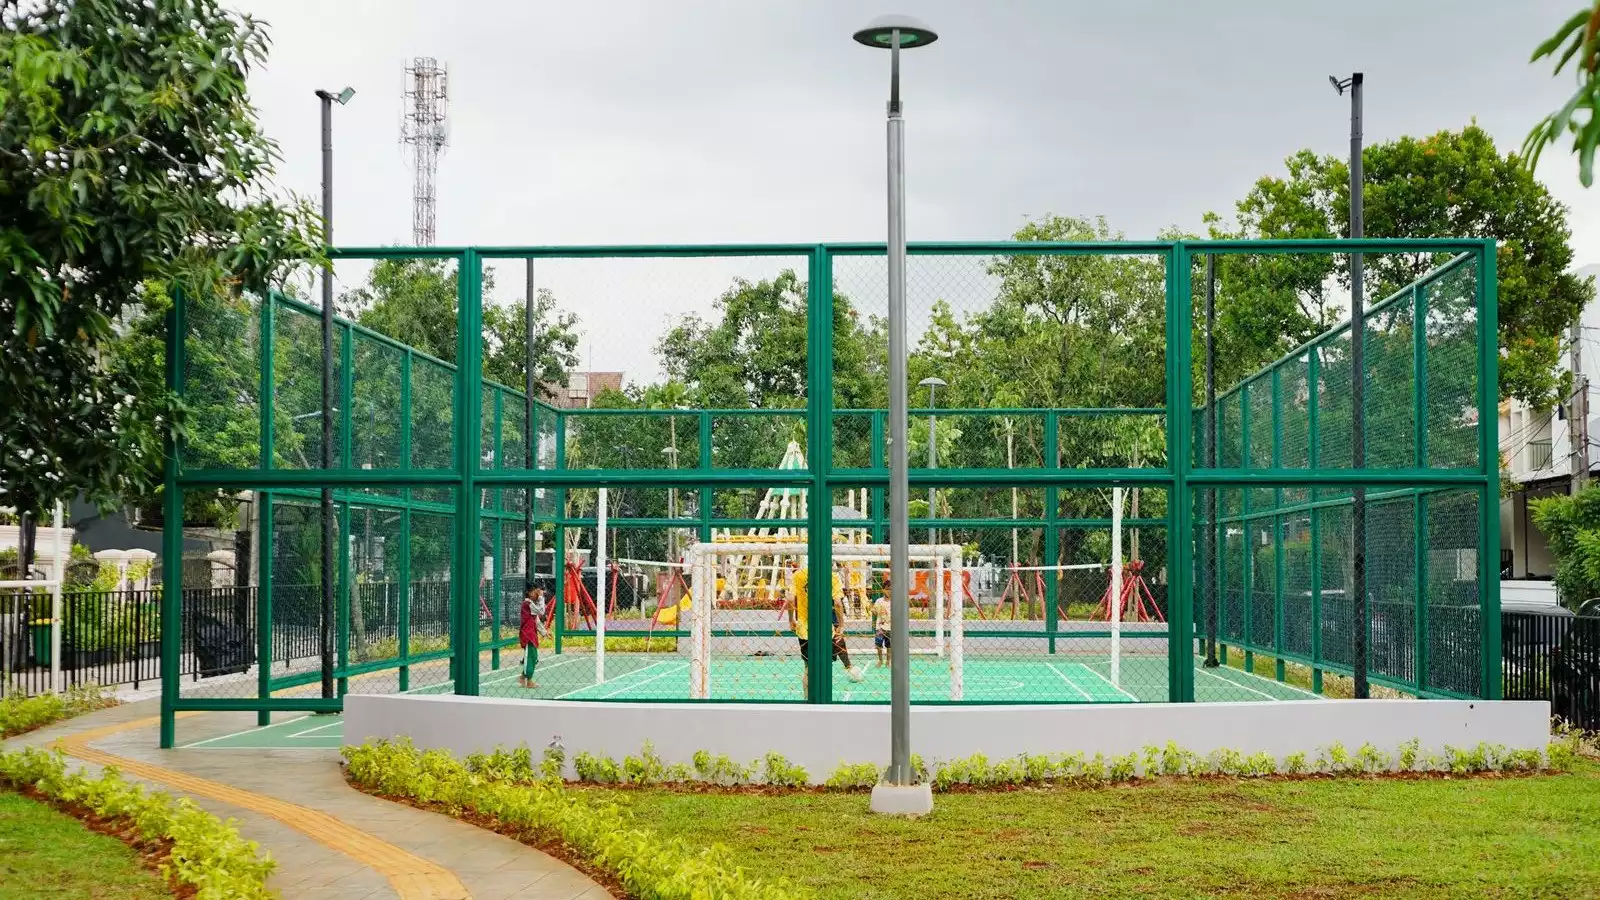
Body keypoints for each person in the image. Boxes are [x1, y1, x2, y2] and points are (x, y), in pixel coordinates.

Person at [788, 562, 864, 691]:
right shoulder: (831, 576)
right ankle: (825, 696)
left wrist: (791, 620)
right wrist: (841, 625)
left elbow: (789, 599)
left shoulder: (798, 575)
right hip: (824, 628)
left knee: (808, 668)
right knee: (826, 663)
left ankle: (808, 700)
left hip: (804, 629)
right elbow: (838, 603)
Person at [519, 586, 547, 690]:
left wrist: (544, 632)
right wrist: (541, 597)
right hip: (527, 634)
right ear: (530, 593)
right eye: (537, 592)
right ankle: (529, 681)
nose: (539, 594)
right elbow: (541, 611)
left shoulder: (531, 604)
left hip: (532, 634)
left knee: (533, 657)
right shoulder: (527, 604)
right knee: (530, 657)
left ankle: (522, 677)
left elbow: (536, 620)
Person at [871, 592, 892, 669]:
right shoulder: (879, 601)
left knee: (889, 646)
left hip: (890, 627)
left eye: (890, 589)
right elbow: (874, 611)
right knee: (878, 645)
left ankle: (888, 661)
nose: (889, 591)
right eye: (887, 589)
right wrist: (874, 610)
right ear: (883, 590)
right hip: (879, 627)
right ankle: (880, 660)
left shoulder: (894, 601)